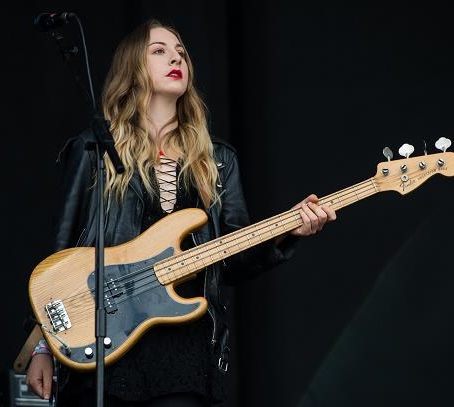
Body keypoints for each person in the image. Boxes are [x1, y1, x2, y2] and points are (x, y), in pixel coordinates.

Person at [26, 19, 336, 407]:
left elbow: (234, 260)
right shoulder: (94, 150)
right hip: (103, 338)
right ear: (132, 69)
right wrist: (41, 347)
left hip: (184, 347)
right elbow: (59, 251)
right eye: (159, 51)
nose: (176, 57)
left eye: (181, 53)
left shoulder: (218, 161)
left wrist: (289, 231)